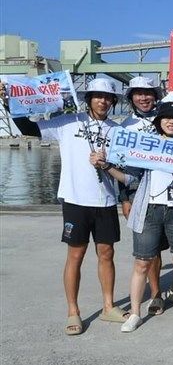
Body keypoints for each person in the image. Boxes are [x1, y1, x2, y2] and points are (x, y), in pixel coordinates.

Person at [2, 78, 134, 335]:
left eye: (108, 97)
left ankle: (108, 306)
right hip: (75, 201)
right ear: (88, 99)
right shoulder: (67, 122)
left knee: (107, 254)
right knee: (76, 255)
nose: (103, 101)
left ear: (113, 102)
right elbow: (29, 128)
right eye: (98, 96)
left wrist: (108, 165)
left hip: (106, 201)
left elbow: (126, 170)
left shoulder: (117, 131)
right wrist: (8, 103)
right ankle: (73, 311)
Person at [115, 102, 173, 332]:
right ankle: (135, 313)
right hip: (149, 210)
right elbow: (130, 178)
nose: (172, 122)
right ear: (159, 121)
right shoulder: (147, 146)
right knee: (142, 262)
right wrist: (107, 166)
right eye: (167, 118)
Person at [119, 75, 173, 316]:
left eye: (148, 93)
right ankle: (155, 294)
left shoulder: (168, 119)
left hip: (168, 190)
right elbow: (121, 165)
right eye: (138, 93)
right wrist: (125, 198)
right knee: (149, 249)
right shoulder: (124, 127)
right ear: (131, 98)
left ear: (156, 95)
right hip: (139, 191)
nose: (143, 97)